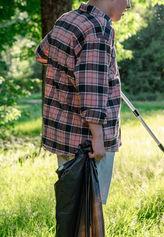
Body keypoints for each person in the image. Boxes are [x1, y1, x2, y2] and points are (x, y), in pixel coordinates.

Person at [35, 0, 131, 205]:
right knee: (89, 212)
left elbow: (42, 54)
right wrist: (98, 139)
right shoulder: (98, 28)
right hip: (88, 142)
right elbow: (91, 90)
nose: (129, 5)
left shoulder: (67, 19)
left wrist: (73, 70)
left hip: (64, 136)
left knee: (70, 208)